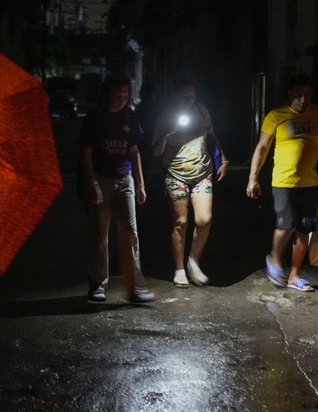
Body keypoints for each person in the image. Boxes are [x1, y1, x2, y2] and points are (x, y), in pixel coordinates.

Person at [246, 74, 318, 292]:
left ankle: (295, 275)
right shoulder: (276, 116)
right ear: (290, 95)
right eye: (299, 95)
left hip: (309, 184)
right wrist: (252, 178)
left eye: (308, 95)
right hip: (283, 182)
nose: (304, 100)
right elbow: (262, 148)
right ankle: (275, 260)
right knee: (287, 224)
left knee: (304, 229)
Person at [79, 74, 155, 304]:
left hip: (125, 179)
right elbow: (86, 152)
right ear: (107, 94)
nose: (121, 99)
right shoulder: (95, 117)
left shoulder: (129, 117)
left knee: (130, 233)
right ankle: (97, 285)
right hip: (101, 178)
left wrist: (140, 183)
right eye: (117, 95)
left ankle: (134, 288)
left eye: (125, 95)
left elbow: (134, 151)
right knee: (100, 233)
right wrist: (91, 182)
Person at [152, 81, 228, 287]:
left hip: (202, 172)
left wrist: (223, 157)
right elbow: (157, 152)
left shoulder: (202, 112)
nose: (189, 100)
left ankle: (193, 262)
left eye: (192, 96)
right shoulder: (165, 116)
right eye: (184, 96)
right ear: (175, 97)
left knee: (204, 220)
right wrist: (167, 133)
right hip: (175, 174)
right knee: (181, 222)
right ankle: (179, 269)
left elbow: (211, 136)